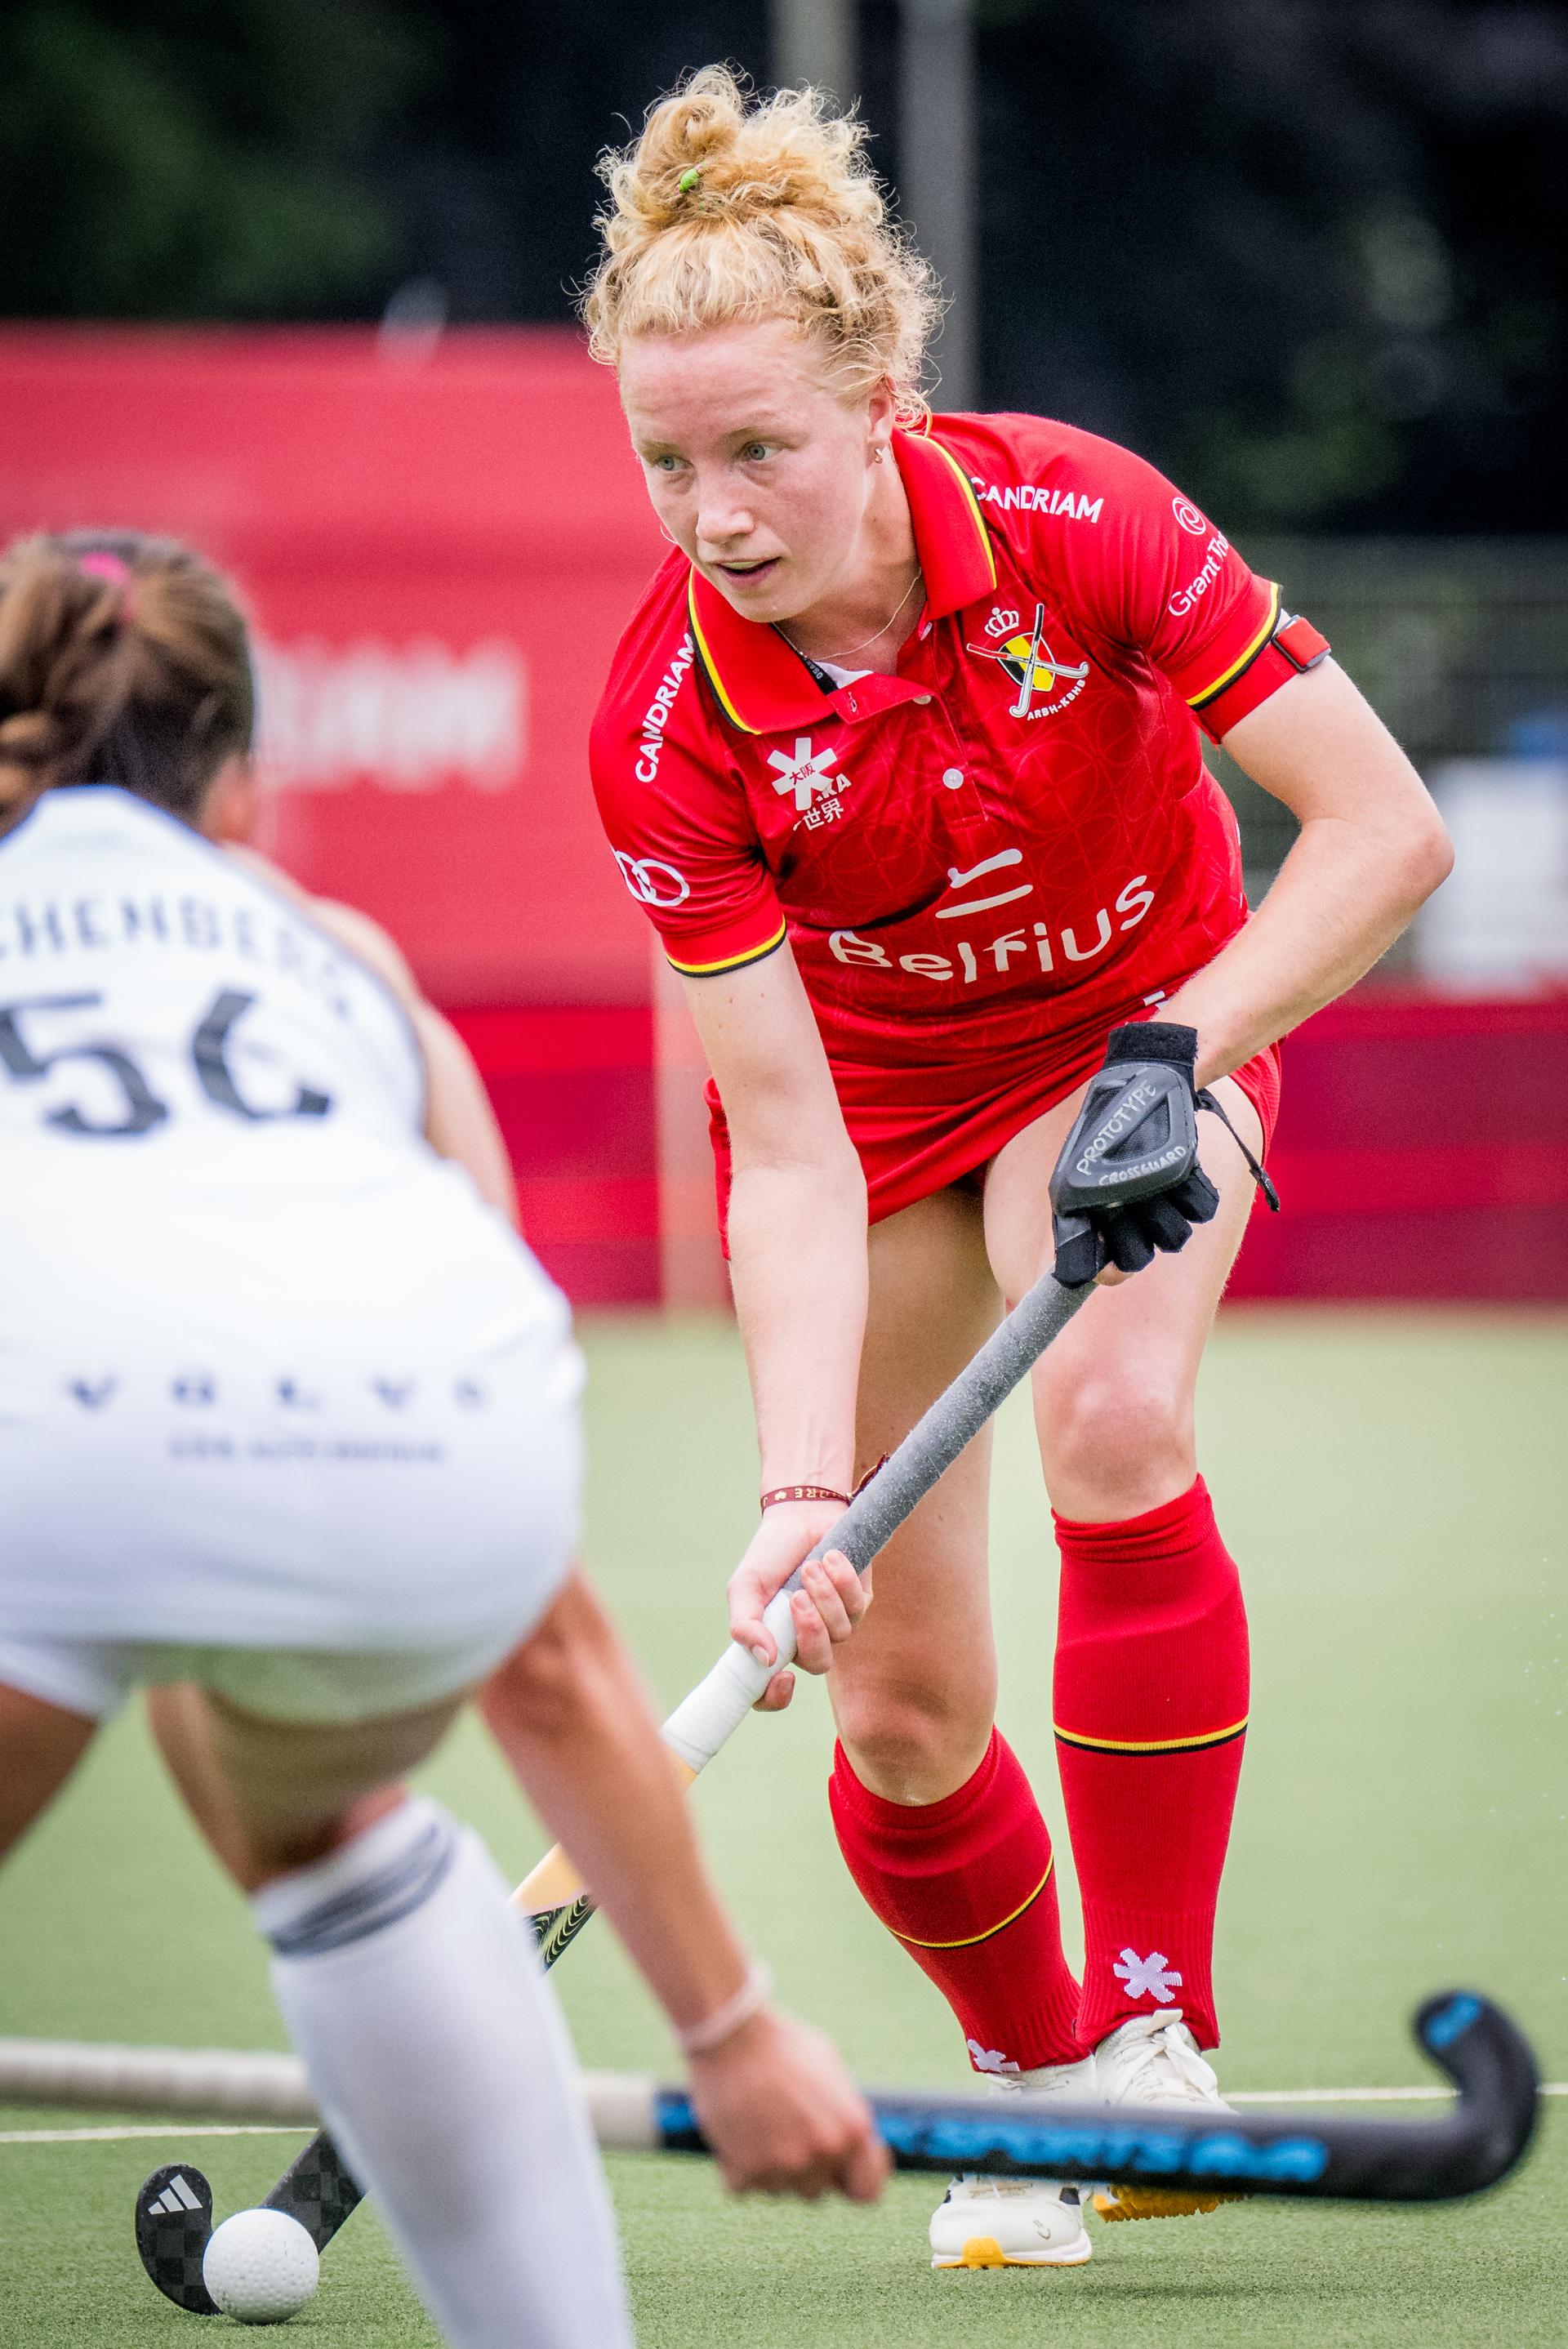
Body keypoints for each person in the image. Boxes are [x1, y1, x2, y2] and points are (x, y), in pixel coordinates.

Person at [584, 69, 1454, 2271]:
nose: (716, 512)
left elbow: (1382, 833)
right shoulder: (669, 728)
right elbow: (776, 1146)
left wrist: (1189, 1041)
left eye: (760, 446)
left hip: (1138, 1029)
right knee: (897, 1695)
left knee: (1115, 1406)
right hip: (872, 1119)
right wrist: (798, 1489)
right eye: (666, 459)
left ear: (881, 393)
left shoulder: (1080, 520)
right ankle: (1056, 2087)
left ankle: (1162, 2035)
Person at [0, 528, 888, 2349]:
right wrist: (733, 2033)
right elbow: (524, 1577)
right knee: (308, 1802)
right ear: (243, 776)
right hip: (417, 1468)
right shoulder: (345, 960)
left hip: (49, 1457)